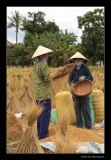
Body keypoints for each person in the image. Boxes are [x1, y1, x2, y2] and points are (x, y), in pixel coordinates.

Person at [68, 52, 95, 129]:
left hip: (85, 91)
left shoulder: (85, 68)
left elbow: (91, 78)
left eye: (79, 59)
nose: (78, 60)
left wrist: (85, 77)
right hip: (75, 91)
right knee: (77, 108)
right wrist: (71, 84)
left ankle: (89, 125)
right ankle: (79, 126)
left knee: (86, 108)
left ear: (82, 60)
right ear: (74, 60)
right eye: (76, 59)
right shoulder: (72, 70)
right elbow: (69, 80)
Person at [32, 45, 53, 139]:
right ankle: (43, 137)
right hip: (44, 94)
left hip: (38, 94)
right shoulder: (43, 65)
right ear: (40, 55)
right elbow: (47, 78)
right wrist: (55, 75)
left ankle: (40, 134)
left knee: (40, 115)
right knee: (45, 116)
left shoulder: (36, 64)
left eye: (47, 54)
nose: (46, 55)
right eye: (44, 54)